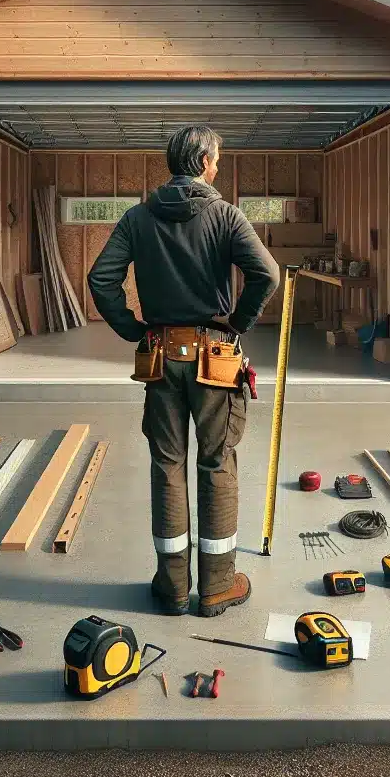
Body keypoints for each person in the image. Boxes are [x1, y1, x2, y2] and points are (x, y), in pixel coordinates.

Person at [87, 125, 280, 617]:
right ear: (205, 161)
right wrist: (238, 322)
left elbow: (101, 278)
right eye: (216, 159)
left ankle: (172, 587)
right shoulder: (227, 216)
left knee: (167, 465)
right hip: (214, 359)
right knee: (217, 463)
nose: (218, 166)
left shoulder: (137, 218)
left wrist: (133, 328)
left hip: (160, 356)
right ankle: (217, 586)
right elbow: (267, 274)